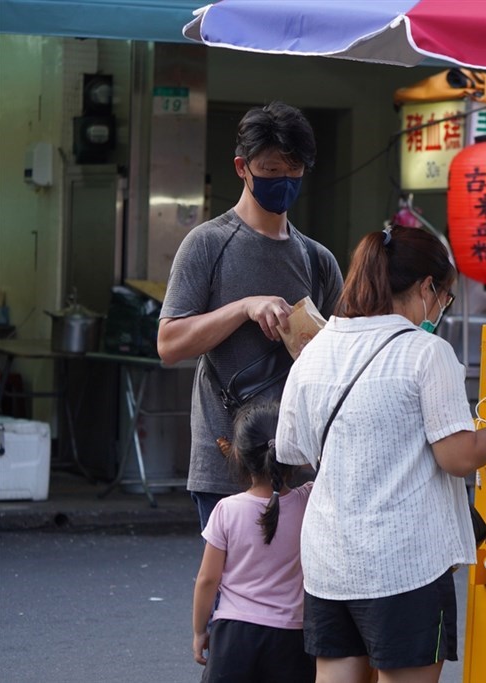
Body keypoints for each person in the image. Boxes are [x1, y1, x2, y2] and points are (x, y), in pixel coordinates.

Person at [275, 225, 486, 683]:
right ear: (427, 288)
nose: (443, 308)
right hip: (404, 564)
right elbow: (459, 456)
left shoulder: (316, 348)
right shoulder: (426, 352)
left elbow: (293, 448)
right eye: (446, 297)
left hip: (330, 561)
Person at [158, 101, 343, 529]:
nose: (283, 181)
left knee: (300, 593)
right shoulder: (207, 244)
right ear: (243, 167)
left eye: (293, 170)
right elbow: (169, 344)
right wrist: (243, 307)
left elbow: (342, 363)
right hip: (227, 460)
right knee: (232, 591)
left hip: (301, 463)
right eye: (271, 170)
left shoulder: (318, 260)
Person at [192, 401, 315, 682]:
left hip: (234, 634)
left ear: (238, 454)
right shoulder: (308, 500)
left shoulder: (227, 510)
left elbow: (208, 580)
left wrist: (200, 631)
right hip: (291, 637)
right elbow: (324, 462)